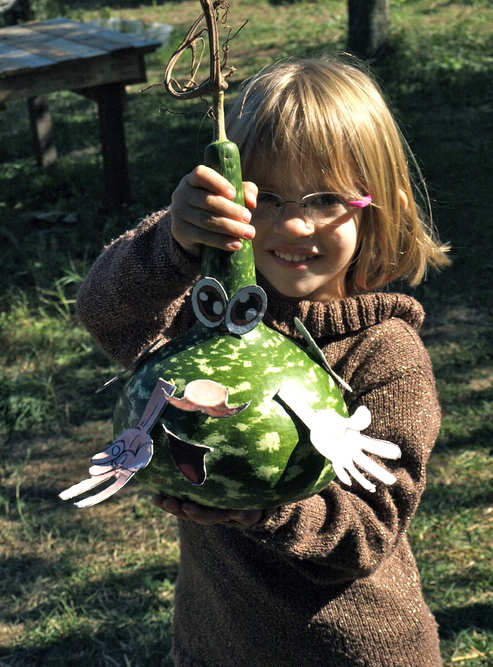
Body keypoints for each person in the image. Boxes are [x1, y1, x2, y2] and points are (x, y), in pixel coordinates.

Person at [76, 57, 450, 666]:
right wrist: (174, 241)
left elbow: (368, 532)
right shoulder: (207, 321)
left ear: (377, 209)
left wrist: (263, 508)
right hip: (214, 644)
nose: (295, 223)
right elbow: (105, 311)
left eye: (326, 198)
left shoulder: (387, 356)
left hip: (354, 654)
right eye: (266, 197)